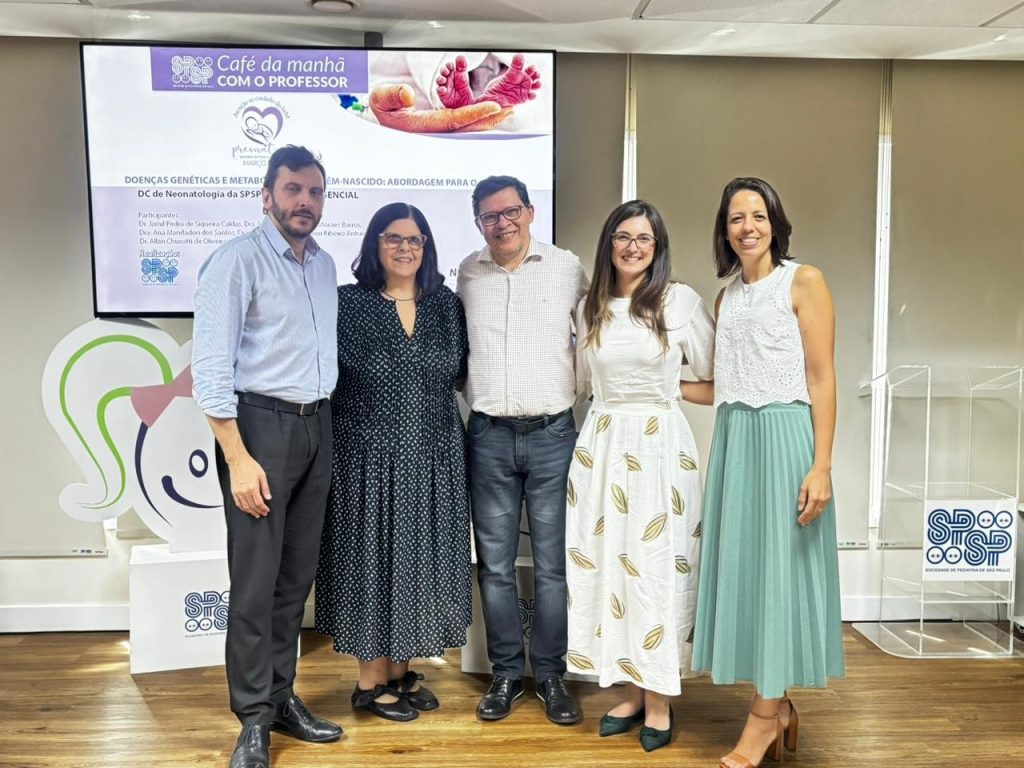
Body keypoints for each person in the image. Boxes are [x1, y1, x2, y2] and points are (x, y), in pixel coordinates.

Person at [192, 145, 342, 768]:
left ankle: (281, 699)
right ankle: (253, 720)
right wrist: (238, 458)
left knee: (293, 581)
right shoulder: (236, 261)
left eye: (314, 192)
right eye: (293, 190)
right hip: (259, 429)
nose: (304, 202)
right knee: (255, 585)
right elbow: (210, 369)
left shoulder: (324, 265)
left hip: (317, 425)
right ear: (267, 194)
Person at [692, 177, 845, 768]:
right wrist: (647, 383)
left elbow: (822, 377)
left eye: (758, 215)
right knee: (750, 572)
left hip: (785, 437)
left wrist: (821, 466)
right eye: (736, 218)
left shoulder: (804, 281)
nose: (747, 227)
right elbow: (722, 384)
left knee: (780, 570)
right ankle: (777, 707)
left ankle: (762, 719)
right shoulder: (726, 298)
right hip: (735, 441)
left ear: (775, 223)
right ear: (725, 230)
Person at [565, 200, 715, 752]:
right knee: (611, 565)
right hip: (603, 444)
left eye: (644, 238)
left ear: (658, 247)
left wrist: (668, 388)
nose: (633, 247)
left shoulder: (680, 301)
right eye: (623, 236)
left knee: (657, 567)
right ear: (609, 244)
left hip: (659, 447)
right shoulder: (590, 308)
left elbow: (718, 381)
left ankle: (659, 699)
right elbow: (582, 383)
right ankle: (631, 691)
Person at [315, 202, 471, 722]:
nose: (405, 248)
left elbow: (458, 376)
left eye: (415, 239)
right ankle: (369, 681)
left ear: (426, 247)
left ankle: (401, 672)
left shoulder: (445, 305)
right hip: (366, 457)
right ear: (374, 244)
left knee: (418, 563)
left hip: (433, 456)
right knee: (371, 562)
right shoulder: (347, 303)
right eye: (393, 238)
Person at [457, 175, 588, 724]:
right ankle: (507, 673)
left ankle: (551, 675)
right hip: (488, 436)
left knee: (554, 566)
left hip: (554, 434)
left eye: (511, 211)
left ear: (530, 212)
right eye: (490, 216)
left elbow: (592, 336)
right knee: (495, 567)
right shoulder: (467, 272)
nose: (502, 223)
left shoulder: (567, 268)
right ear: (478, 222)